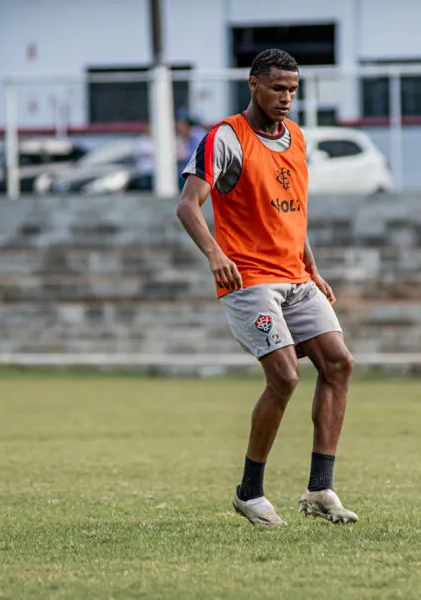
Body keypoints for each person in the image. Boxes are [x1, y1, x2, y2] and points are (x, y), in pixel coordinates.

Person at [176, 48, 357, 526]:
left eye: (293, 90)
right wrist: (216, 254)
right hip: (249, 279)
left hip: (296, 277)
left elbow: (293, 214)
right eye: (278, 88)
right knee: (284, 376)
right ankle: (249, 492)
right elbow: (188, 206)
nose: (287, 99)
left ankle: (320, 491)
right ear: (253, 84)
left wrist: (312, 268)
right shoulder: (225, 138)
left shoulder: (295, 138)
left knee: (338, 363)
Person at [175, 107, 206, 191]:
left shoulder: (197, 134)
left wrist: (180, 157)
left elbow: (197, 156)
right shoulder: (183, 136)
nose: (177, 126)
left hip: (196, 176)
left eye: (180, 123)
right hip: (185, 175)